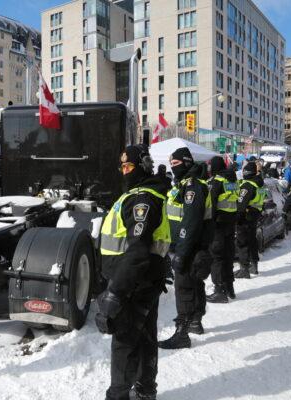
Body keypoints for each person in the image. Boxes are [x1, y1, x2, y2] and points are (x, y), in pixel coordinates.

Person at [96, 144, 170, 400]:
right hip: (141, 280)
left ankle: (119, 395)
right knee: (145, 337)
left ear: (141, 167)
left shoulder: (142, 199)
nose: (124, 171)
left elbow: (137, 250)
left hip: (133, 283)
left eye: (129, 167)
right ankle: (146, 390)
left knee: (125, 342)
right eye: (122, 167)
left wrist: (115, 292)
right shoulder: (141, 194)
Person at [158, 147, 213, 350]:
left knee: (185, 289)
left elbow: (191, 222)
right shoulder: (183, 185)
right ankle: (195, 321)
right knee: (194, 285)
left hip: (189, 247)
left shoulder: (193, 187)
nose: (174, 168)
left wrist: (181, 252)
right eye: (171, 165)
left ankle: (182, 332)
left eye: (177, 164)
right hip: (187, 246)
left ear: (187, 163)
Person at [206, 156, 239, 303]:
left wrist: (208, 224)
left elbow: (211, 205)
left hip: (218, 224)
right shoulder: (232, 180)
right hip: (230, 223)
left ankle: (219, 290)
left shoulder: (217, 182)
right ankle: (229, 288)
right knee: (228, 255)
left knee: (217, 257)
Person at [234, 161, 265, 278]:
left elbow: (241, 206)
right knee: (252, 240)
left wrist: (237, 219)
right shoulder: (260, 184)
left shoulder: (247, 185)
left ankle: (244, 269)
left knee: (242, 242)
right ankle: (254, 265)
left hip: (245, 217)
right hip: (255, 215)